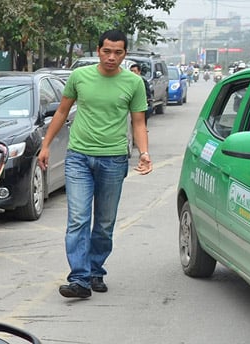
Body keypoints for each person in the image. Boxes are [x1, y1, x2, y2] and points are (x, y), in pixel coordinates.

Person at [38, 29, 153, 299]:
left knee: (104, 222)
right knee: (78, 218)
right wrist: (45, 146)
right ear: (98, 50)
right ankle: (79, 278)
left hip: (113, 159)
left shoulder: (133, 83)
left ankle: (95, 270)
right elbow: (62, 111)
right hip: (78, 156)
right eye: (107, 51)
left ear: (125, 54)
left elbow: (138, 122)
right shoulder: (80, 77)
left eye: (118, 52)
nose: (112, 57)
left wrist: (144, 153)